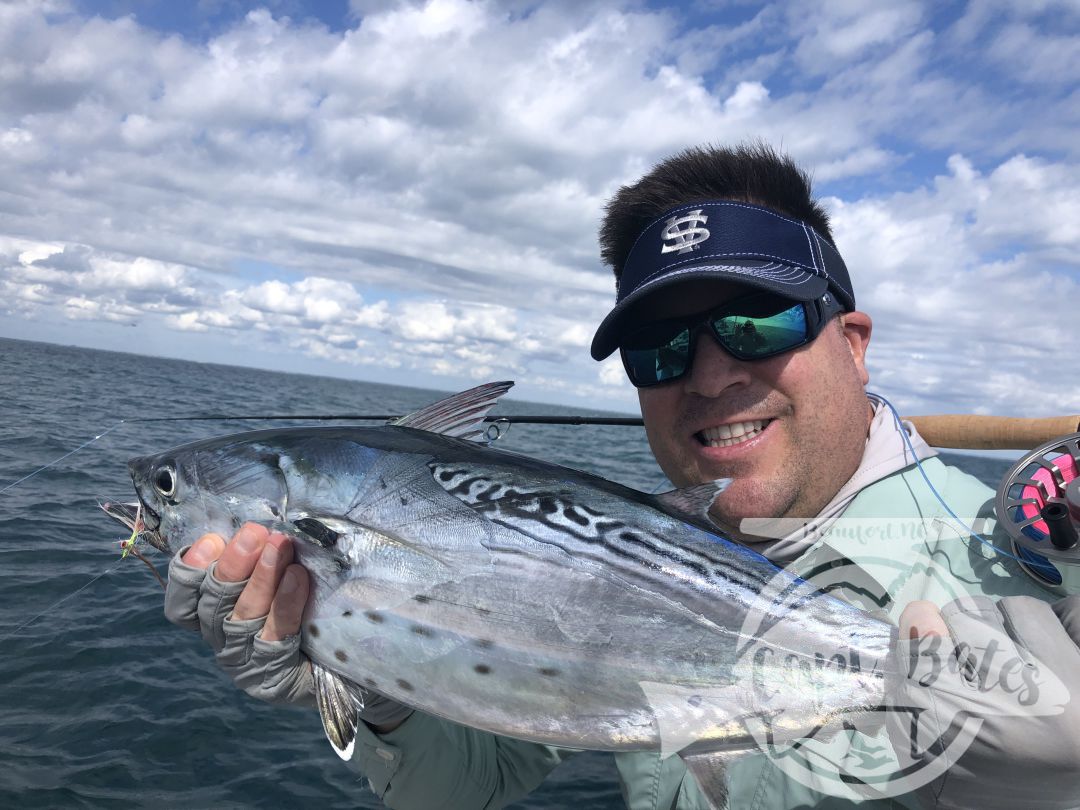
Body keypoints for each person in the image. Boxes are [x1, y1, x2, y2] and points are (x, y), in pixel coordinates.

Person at [164, 143, 1080, 809]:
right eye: (660, 347)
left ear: (853, 341)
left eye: (758, 322)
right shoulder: (627, 542)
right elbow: (473, 785)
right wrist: (379, 679)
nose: (713, 373)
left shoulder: (1038, 565)